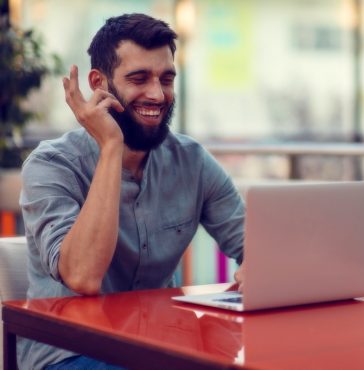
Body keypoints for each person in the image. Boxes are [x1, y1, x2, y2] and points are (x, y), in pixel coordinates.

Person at [19, 13, 245, 369]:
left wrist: (261, 266)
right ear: (100, 83)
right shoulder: (51, 165)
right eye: (139, 78)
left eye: (166, 79)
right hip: (71, 352)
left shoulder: (192, 162)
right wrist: (111, 146)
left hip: (159, 346)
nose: (157, 94)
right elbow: (82, 276)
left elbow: (255, 245)